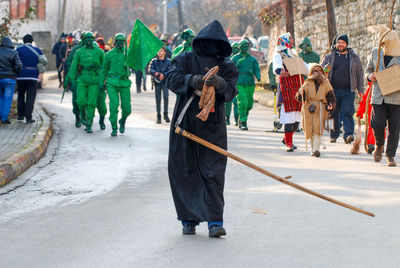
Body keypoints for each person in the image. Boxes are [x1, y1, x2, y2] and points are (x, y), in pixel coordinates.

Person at [166, 20, 238, 237]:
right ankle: (188, 219)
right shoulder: (185, 59)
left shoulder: (226, 67)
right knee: (184, 171)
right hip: (185, 124)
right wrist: (192, 80)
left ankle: (215, 222)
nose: (212, 48)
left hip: (212, 128)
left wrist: (219, 83)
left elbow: (232, 91)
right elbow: (171, 78)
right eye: (208, 43)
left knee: (213, 173)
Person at [366, 27, 400, 167]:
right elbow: (367, 70)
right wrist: (369, 76)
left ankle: (390, 155)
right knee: (377, 123)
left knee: (394, 127)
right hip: (378, 95)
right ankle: (379, 145)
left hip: (396, 97)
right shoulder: (375, 52)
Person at [321, 34, 364, 144]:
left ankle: (348, 135)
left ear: (347, 44)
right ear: (335, 44)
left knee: (347, 112)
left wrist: (361, 89)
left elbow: (360, 74)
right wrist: (324, 70)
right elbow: (320, 70)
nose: (340, 45)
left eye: (343, 42)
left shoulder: (354, 57)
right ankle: (333, 135)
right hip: (332, 91)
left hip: (348, 91)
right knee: (333, 113)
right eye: (338, 42)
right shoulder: (329, 57)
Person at [273, 33, 307, 152]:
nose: (292, 40)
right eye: (290, 38)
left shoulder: (293, 53)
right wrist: (279, 71)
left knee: (297, 117)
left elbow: (304, 66)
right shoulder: (279, 54)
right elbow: (276, 66)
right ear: (285, 41)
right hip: (287, 87)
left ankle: (286, 138)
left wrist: (316, 69)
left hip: (297, 86)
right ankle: (289, 143)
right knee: (289, 116)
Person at [296, 64, 336, 157]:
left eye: (320, 71)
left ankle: (316, 149)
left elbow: (331, 96)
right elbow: (299, 98)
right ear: (311, 72)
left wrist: (331, 104)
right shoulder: (307, 83)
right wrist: (300, 93)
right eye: (315, 71)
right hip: (308, 108)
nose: (318, 73)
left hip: (320, 108)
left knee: (318, 129)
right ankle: (313, 148)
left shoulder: (326, 83)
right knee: (310, 129)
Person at [69, 31, 104, 133]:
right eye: (87, 38)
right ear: (83, 40)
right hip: (82, 79)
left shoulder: (99, 52)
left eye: (90, 38)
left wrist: (103, 80)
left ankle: (89, 124)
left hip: (94, 80)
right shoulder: (79, 52)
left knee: (92, 103)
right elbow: (74, 67)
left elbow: (105, 66)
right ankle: (82, 113)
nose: (89, 40)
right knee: (80, 101)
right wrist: (72, 80)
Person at [100, 33, 131, 137]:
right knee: (114, 105)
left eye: (123, 41)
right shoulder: (109, 54)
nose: (121, 43)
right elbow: (104, 70)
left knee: (127, 108)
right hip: (112, 82)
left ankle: (122, 120)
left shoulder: (128, 53)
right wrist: (101, 82)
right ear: (115, 42)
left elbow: (136, 63)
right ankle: (114, 127)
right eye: (119, 41)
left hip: (124, 82)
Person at [16, 34, 47, 123]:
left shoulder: (18, 50)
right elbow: (44, 61)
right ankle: (28, 117)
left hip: (21, 76)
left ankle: (20, 116)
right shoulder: (38, 50)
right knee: (30, 97)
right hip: (33, 77)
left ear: (23, 41)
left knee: (21, 96)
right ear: (32, 41)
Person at [232, 39, 261, 130]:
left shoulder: (252, 59)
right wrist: (237, 64)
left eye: (246, 47)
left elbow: (257, 68)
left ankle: (242, 117)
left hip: (249, 82)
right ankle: (243, 122)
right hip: (239, 82)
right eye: (243, 46)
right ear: (240, 48)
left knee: (249, 104)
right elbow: (230, 69)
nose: (245, 48)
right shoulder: (235, 58)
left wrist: (258, 75)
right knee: (243, 102)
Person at [64, 31, 86, 128]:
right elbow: (69, 63)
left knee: (88, 99)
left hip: (90, 79)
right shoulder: (76, 50)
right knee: (76, 99)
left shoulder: (95, 49)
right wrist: (71, 76)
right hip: (78, 78)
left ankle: (85, 115)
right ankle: (77, 116)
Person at [0, 36, 22, 124]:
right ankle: (4, 118)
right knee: (7, 98)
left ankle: (1, 115)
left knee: (0, 97)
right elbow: (19, 65)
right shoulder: (14, 52)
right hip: (10, 79)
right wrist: (15, 73)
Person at [150, 46, 171, 124]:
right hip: (157, 82)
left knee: (166, 97)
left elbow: (170, 70)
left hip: (165, 82)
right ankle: (158, 116)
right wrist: (156, 73)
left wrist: (164, 75)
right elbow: (150, 69)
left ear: (164, 52)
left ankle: (166, 115)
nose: (159, 52)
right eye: (158, 51)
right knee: (158, 99)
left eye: (161, 51)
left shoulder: (168, 61)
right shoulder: (154, 61)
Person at [356, 82, 376, 154]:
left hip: (381, 112)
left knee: (380, 128)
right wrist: (359, 113)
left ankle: (380, 144)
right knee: (371, 127)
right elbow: (364, 101)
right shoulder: (370, 88)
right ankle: (371, 144)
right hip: (371, 113)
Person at [225, 42, 240, 125]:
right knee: (228, 102)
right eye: (234, 48)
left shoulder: (240, 58)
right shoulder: (228, 59)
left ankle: (237, 118)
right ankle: (227, 117)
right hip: (229, 82)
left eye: (237, 48)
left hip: (239, 82)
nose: (236, 50)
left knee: (237, 102)